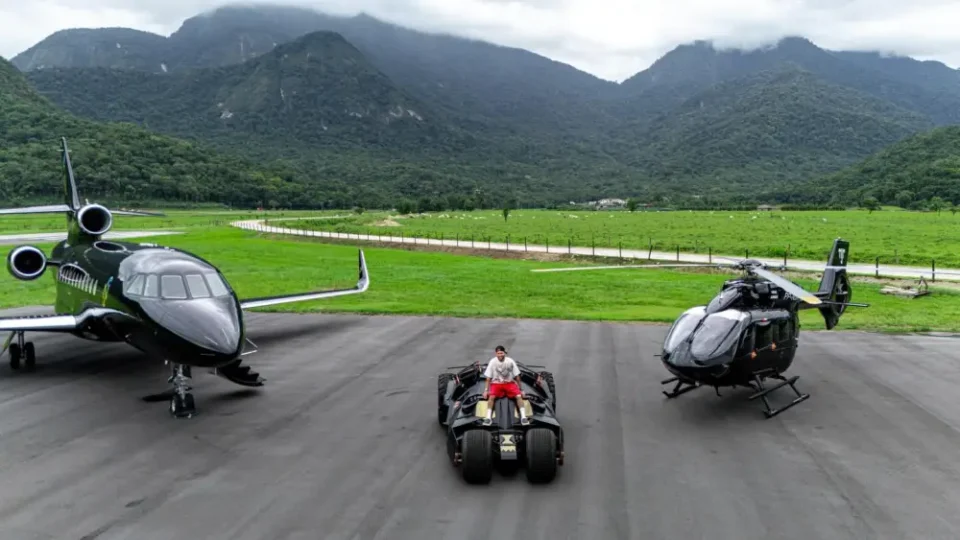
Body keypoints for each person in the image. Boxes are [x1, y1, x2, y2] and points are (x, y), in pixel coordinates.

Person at [481, 345, 529, 425]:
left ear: (504, 353)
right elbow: (488, 378)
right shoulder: (492, 362)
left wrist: (521, 390)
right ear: (496, 354)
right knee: (491, 397)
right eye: (498, 353)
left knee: (518, 396)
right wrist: (486, 390)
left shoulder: (510, 361)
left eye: (501, 353)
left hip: (509, 383)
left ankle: (523, 417)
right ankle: (488, 418)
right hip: (496, 384)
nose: (500, 355)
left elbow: (517, 376)